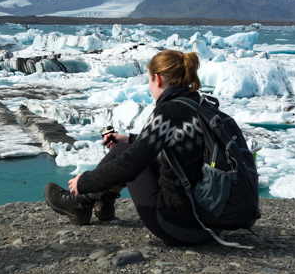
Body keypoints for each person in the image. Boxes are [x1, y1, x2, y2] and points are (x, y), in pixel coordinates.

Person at [44, 50, 214, 246]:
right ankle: (102, 202)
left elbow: (131, 165)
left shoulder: (169, 111)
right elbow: (180, 150)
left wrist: (84, 182)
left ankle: (80, 202)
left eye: (149, 80)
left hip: (180, 228)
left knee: (125, 153)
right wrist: (131, 139)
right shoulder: (204, 107)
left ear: (157, 79)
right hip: (212, 225)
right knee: (125, 146)